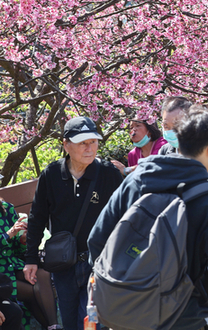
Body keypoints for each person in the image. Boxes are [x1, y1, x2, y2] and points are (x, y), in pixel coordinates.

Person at [88, 105, 208, 329]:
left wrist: (122, 286)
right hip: (181, 315)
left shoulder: (136, 180)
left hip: (126, 313)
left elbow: (97, 239)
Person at [24, 117, 123, 330]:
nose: (89, 148)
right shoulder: (51, 174)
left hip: (97, 263)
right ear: (66, 144)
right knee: (69, 322)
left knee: (90, 322)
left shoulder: (108, 174)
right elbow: (37, 218)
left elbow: (126, 216)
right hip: (63, 265)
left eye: (93, 142)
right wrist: (30, 258)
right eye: (82, 143)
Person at [0, 199, 59, 330]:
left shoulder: (7, 208)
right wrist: (8, 235)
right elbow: (8, 236)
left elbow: (16, 249)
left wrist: (22, 241)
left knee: (42, 275)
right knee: (35, 291)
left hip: (13, 265)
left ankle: (54, 326)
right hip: (1, 275)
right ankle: (52, 326)